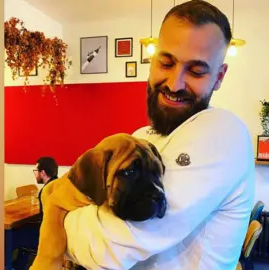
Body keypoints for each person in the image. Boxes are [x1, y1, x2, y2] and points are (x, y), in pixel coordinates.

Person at [64, 1, 256, 269]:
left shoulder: (223, 131)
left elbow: (105, 250)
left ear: (219, 76)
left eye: (196, 71)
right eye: (166, 63)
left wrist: (62, 218)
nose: (175, 84)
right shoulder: (142, 138)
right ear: (152, 59)